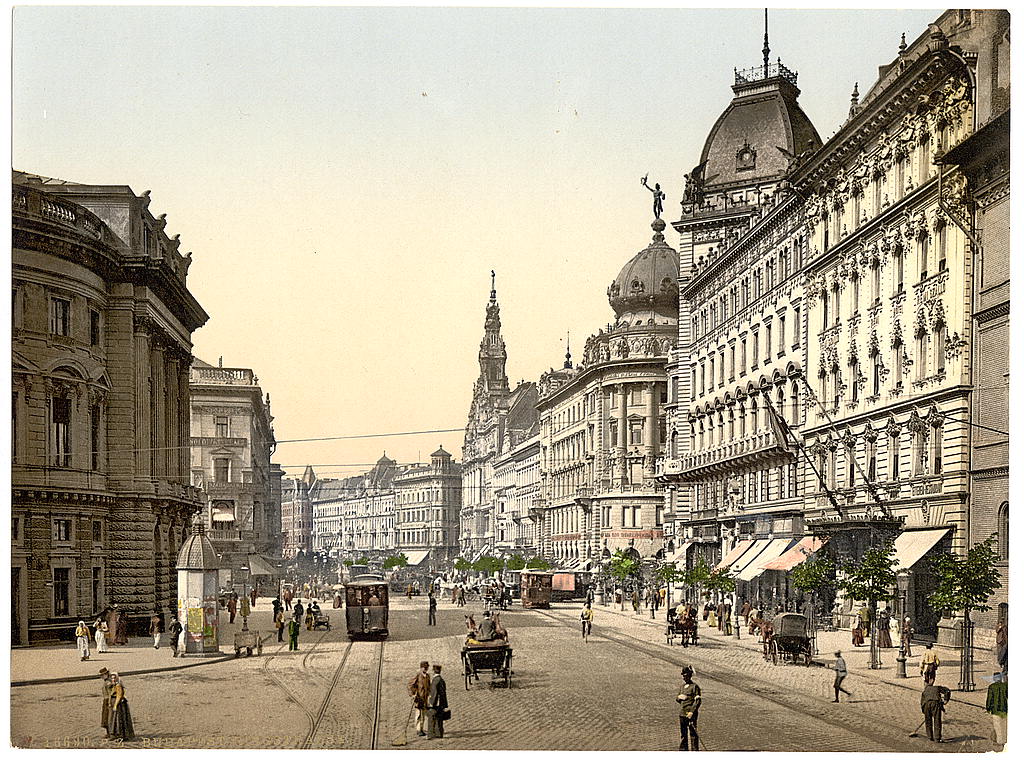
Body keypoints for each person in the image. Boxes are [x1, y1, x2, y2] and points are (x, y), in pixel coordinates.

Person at [675, 665, 702, 750]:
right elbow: (678, 699)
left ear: (690, 675)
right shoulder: (682, 687)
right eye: (683, 676)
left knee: (693, 734)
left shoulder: (694, 687)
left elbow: (697, 701)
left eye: (686, 675)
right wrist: (678, 698)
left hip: (690, 714)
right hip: (682, 714)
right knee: (683, 734)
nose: (684, 677)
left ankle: (694, 751)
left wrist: (692, 712)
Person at [920, 674, 951, 742]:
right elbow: (947, 691)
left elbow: (922, 702)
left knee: (928, 721)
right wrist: (946, 700)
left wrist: (924, 711)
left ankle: (929, 736)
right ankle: (937, 738)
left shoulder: (925, 690)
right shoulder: (937, 688)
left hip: (926, 705)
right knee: (937, 720)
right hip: (935, 704)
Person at [108, 673, 135, 742]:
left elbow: (119, 696)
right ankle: (116, 735)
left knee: (119, 719)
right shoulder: (113, 685)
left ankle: (121, 735)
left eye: (114, 678)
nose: (113, 679)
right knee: (114, 720)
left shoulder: (118, 685)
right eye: (112, 678)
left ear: (117, 679)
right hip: (115, 703)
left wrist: (115, 705)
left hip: (119, 704)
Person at [408, 660, 431, 736]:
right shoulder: (418, 675)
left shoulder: (427, 676)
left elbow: (429, 687)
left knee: (423, 714)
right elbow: (410, 685)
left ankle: (421, 729)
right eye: (424, 668)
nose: (426, 669)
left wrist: (430, 695)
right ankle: (418, 730)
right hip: (418, 698)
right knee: (418, 715)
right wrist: (413, 694)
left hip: (425, 698)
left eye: (427, 667)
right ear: (421, 668)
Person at [985, 672, 1007, 748]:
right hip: (1005, 709)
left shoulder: (992, 686)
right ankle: (1005, 740)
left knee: (998, 725)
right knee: (1004, 725)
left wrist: (988, 708)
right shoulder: (1006, 686)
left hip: (995, 709)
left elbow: (990, 698)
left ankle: (1000, 741)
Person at [426, 664, 448, 739]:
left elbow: (434, 693)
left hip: (436, 703)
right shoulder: (441, 679)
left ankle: (430, 734)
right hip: (441, 703)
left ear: (433, 671)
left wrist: (431, 703)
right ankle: (439, 733)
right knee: (439, 719)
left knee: (431, 718)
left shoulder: (435, 680)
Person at [99, 668, 113, 738]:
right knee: (105, 717)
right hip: (105, 700)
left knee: (109, 717)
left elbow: (111, 693)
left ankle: (111, 733)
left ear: (107, 674)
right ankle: (108, 732)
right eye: (101, 675)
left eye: (103, 675)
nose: (102, 676)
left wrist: (110, 702)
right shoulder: (106, 681)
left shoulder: (109, 682)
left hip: (108, 700)